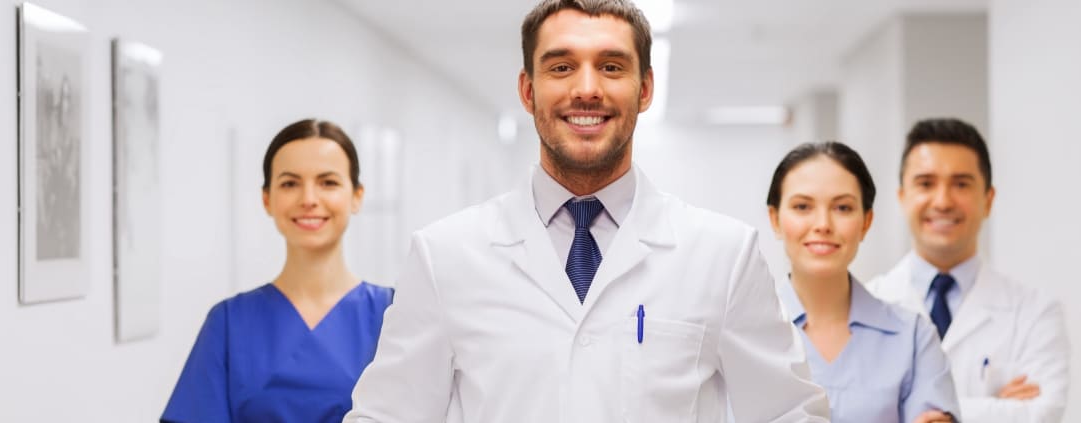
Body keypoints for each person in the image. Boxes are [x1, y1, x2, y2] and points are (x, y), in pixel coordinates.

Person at [344, 1, 829, 422]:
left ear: (644, 90)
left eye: (612, 67)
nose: (587, 88)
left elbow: (789, 414)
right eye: (561, 67)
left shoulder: (723, 255)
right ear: (528, 90)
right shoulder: (445, 255)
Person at [162, 119, 394, 423]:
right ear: (267, 199)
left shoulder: (395, 314)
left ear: (356, 196)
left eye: (328, 182)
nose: (309, 199)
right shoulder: (230, 324)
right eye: (290, 183)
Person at [865, 118, 1070, 422]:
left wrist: (909, 407)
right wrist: (993, 409)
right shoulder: (865, 304)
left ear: (988, 200)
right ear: (902, 198)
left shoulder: (1035, 311)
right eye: (925, 184)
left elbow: (1043, 413)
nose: (943, 201)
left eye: (961, 184)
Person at [767, 142, 960, 423]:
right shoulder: (744, 331)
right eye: (802, 206)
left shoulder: (913, 337)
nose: (823, 224)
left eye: (842, 207)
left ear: (866, 222)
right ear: (775, 219)